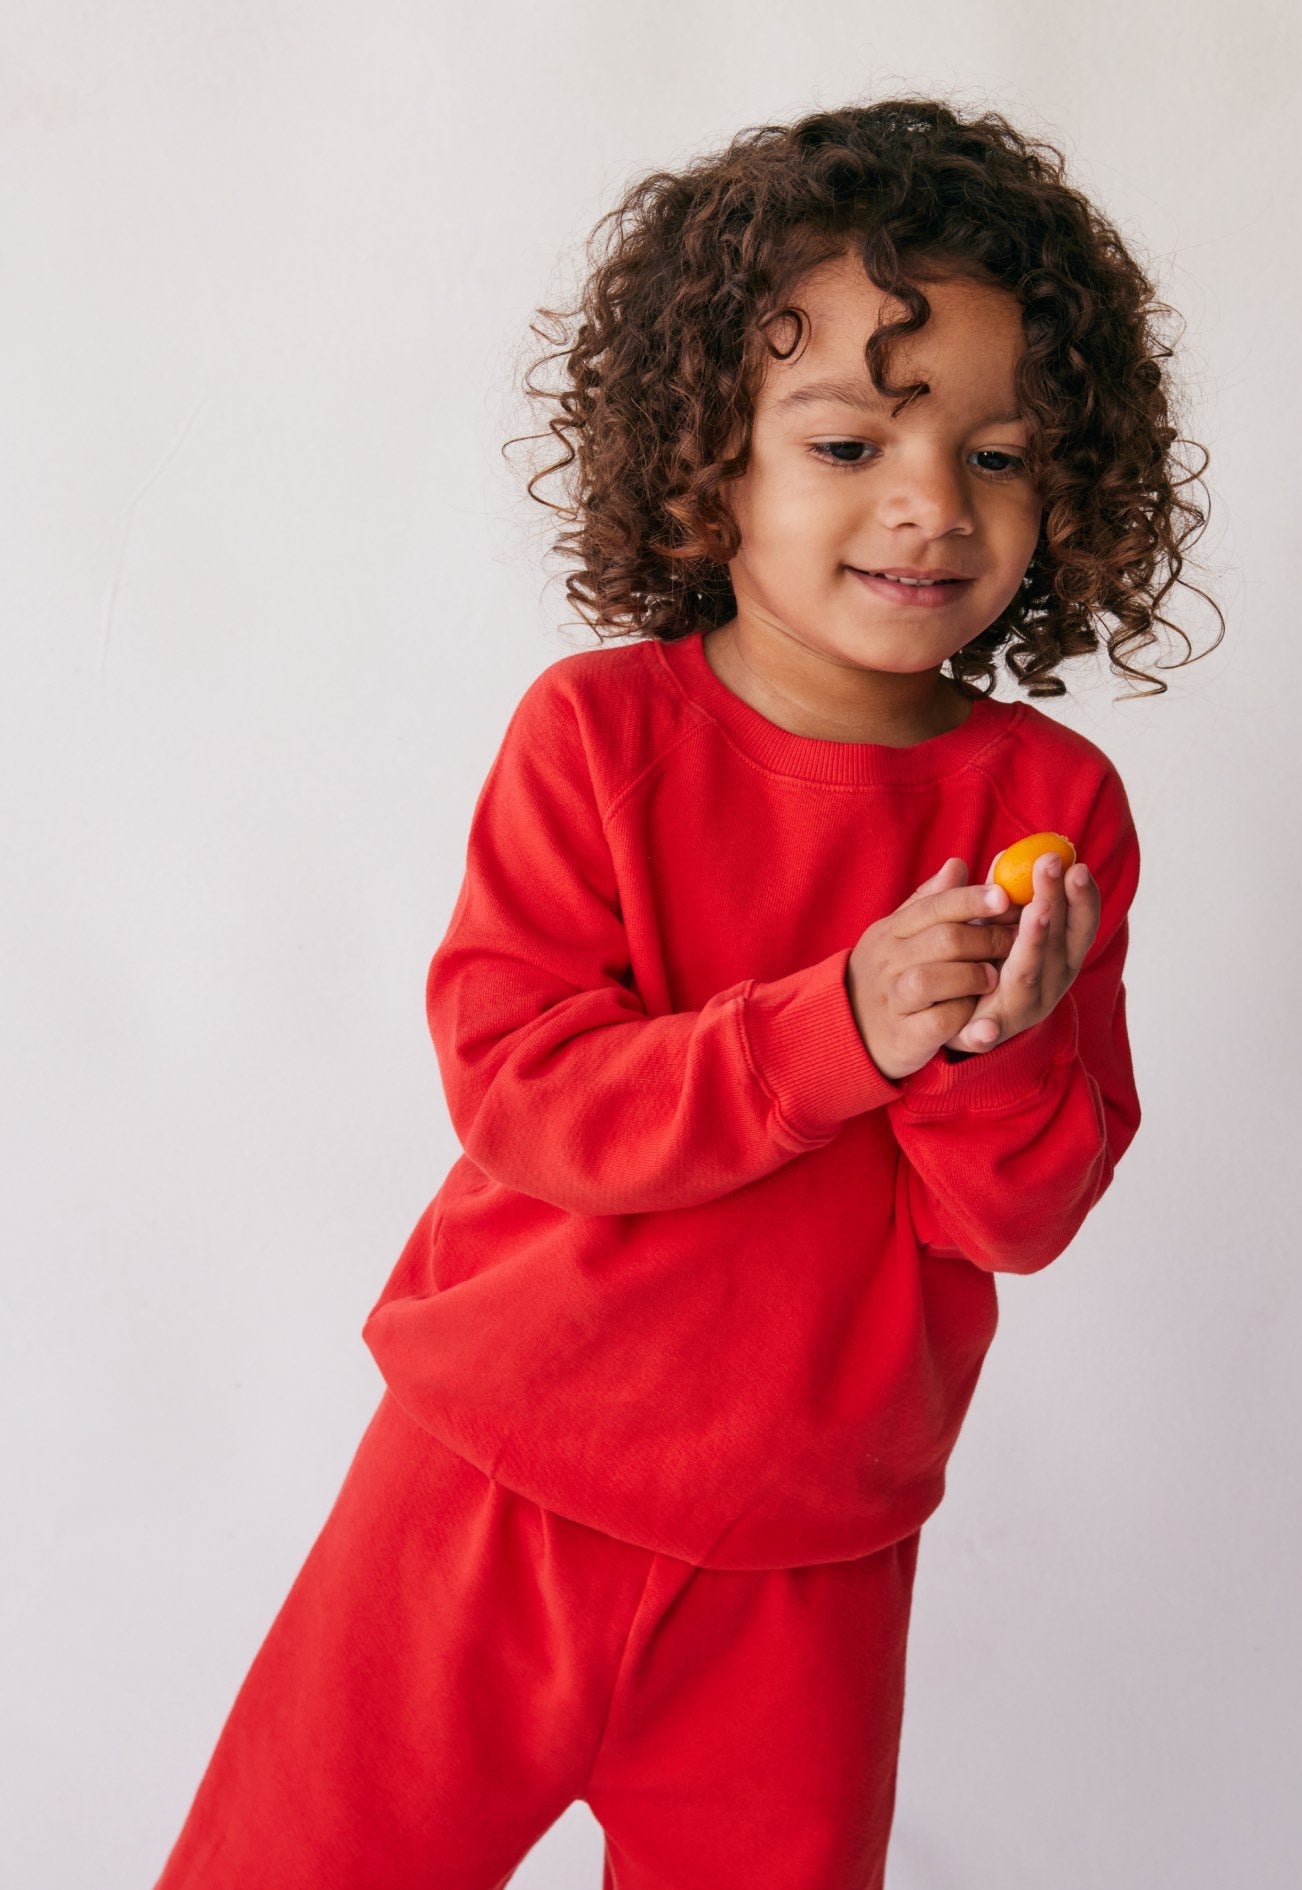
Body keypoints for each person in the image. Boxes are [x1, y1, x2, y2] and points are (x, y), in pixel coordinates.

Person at [153, 97, 1221, 1890]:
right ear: (703, 456)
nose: (927, 505)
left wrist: (982, 1057)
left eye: (1001, 454)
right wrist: (838, 1030)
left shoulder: (1050, 812)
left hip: (808, 1557)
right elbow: (525, 1092)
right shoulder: (599, 738)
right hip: (487, 1490)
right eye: (845, 438)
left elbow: (1021, 1213)